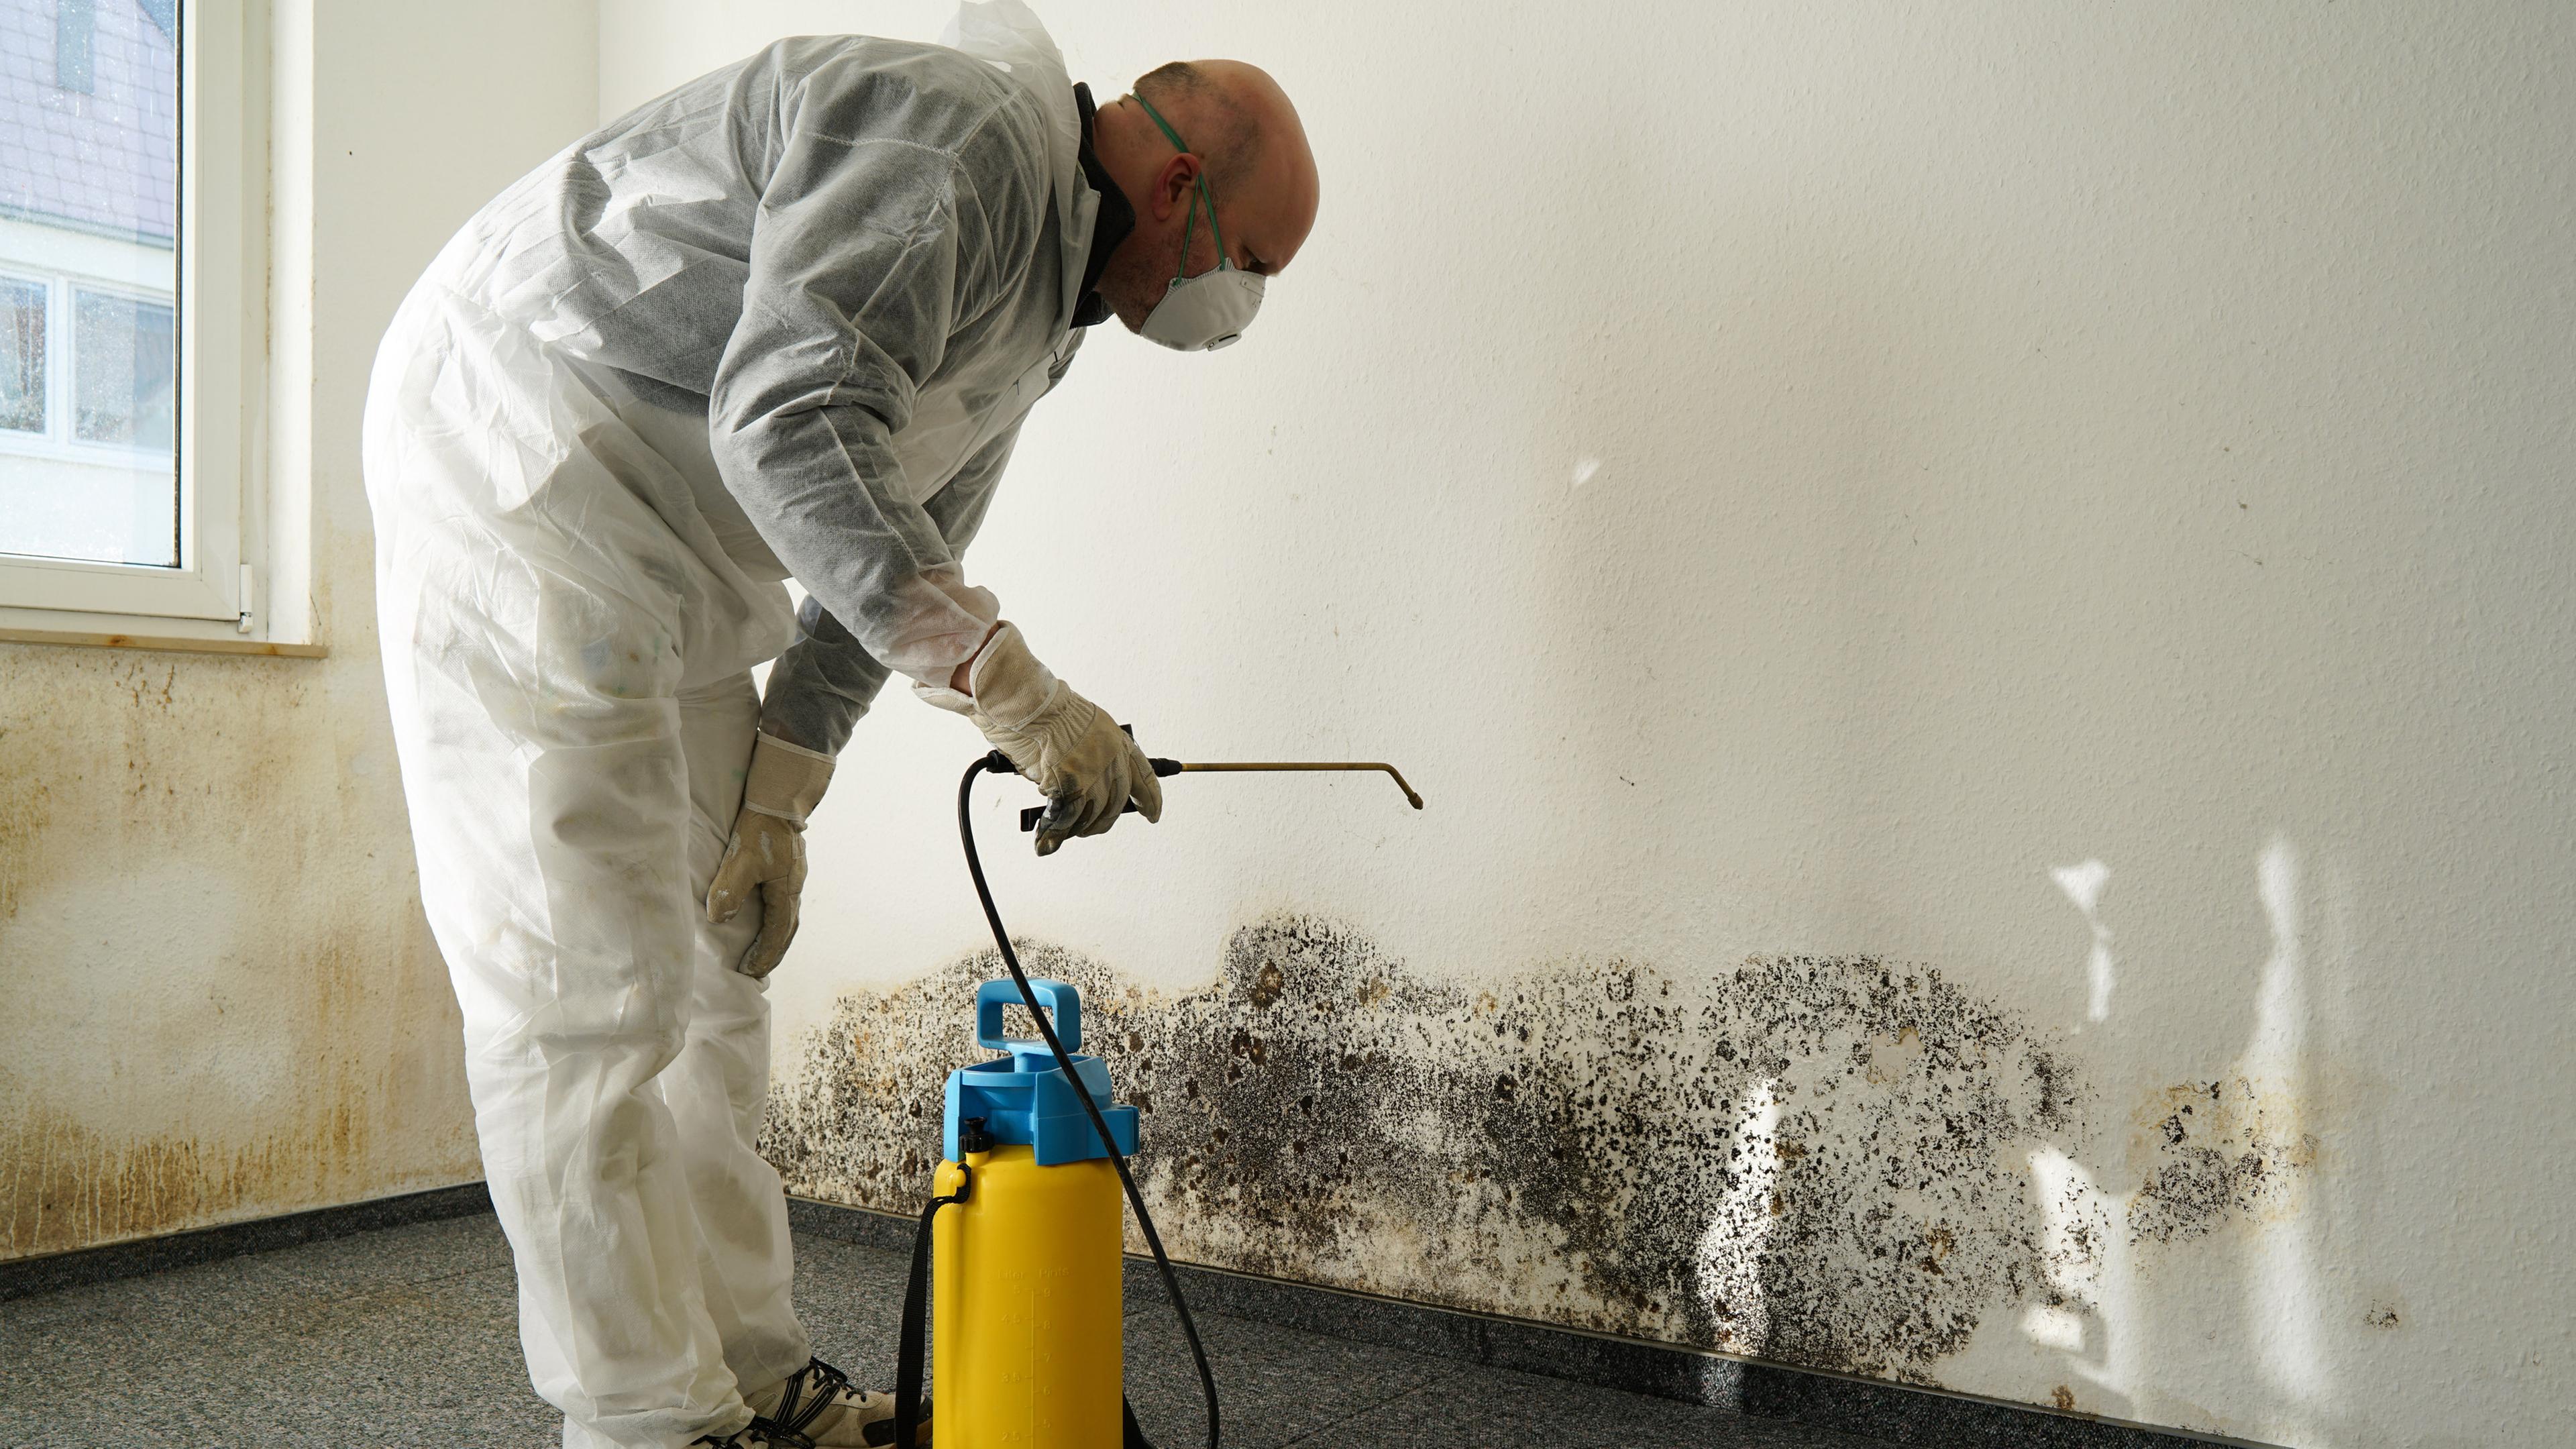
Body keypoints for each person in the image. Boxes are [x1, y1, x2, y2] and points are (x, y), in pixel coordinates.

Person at [359, 1, 1318, 1443]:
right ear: (1181, 186)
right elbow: (789, 424)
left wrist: (779, 801)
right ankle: (649, 1422)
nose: (1235, 307)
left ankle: (756, 1383)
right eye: (1251, 265)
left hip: (674, 541)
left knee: (716, 978)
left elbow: (898, 550)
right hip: (527, 463)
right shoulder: (960, 146)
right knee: (588, 996)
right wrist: (1015, 691)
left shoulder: (1042, 313)